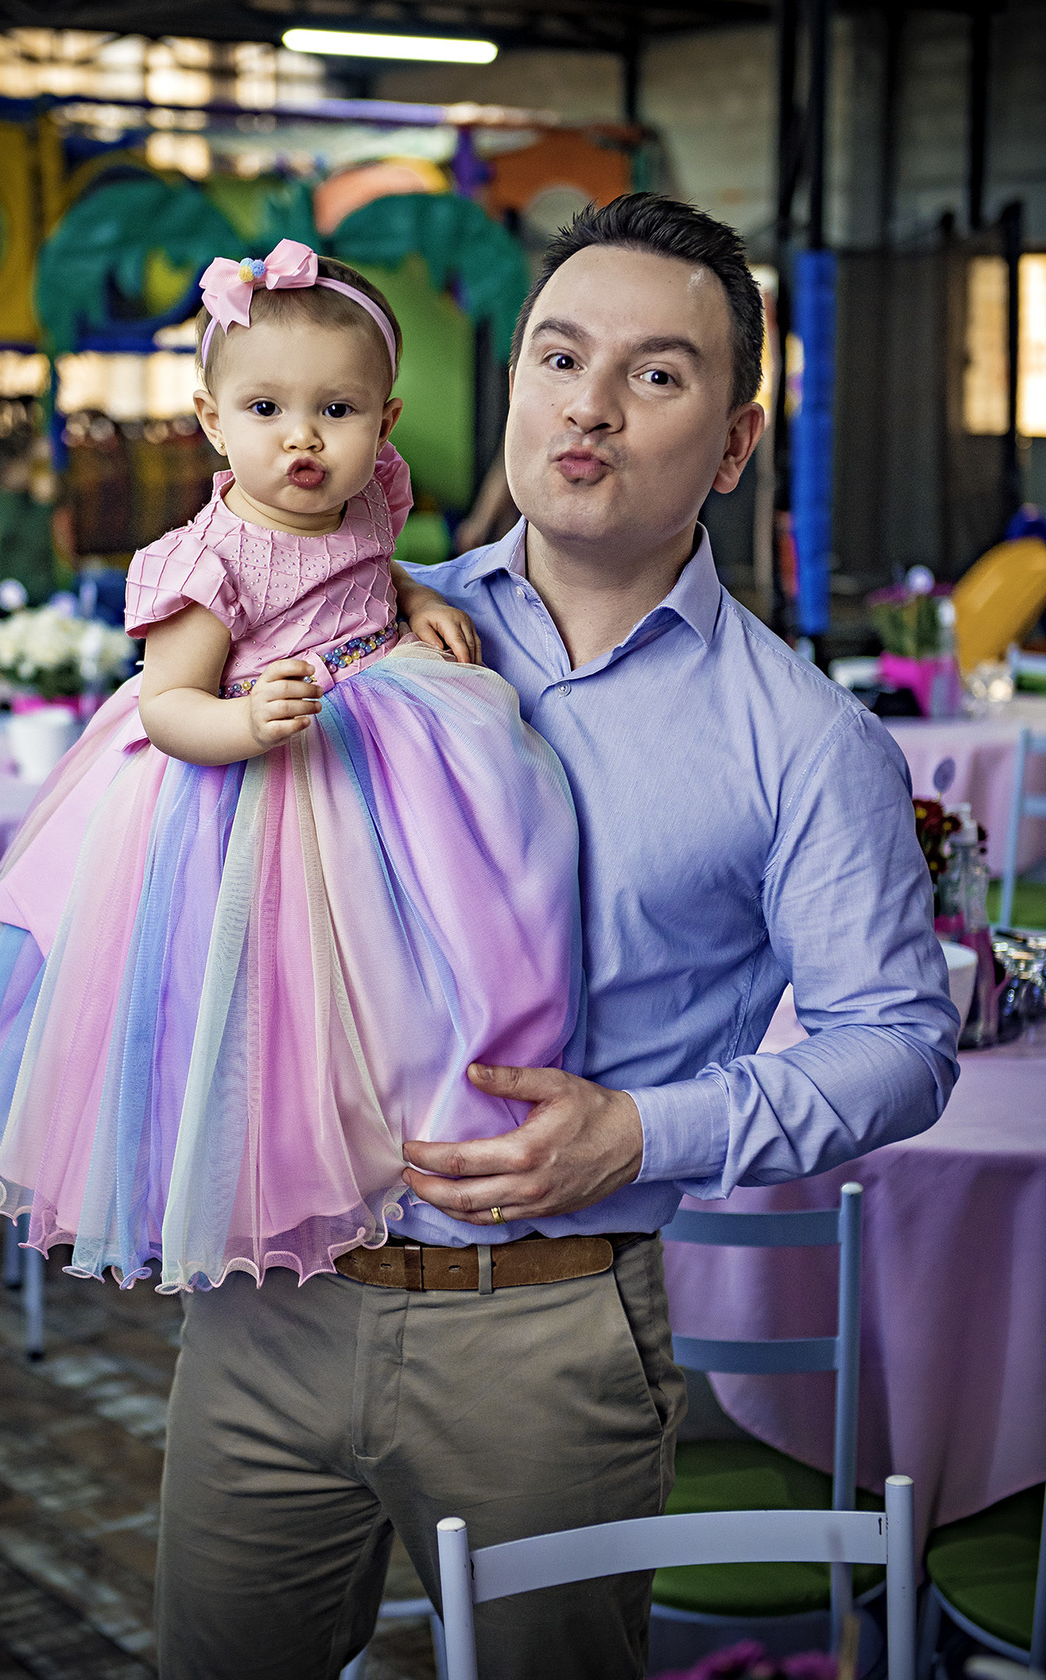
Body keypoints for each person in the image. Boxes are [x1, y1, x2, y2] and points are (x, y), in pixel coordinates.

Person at [149, 196, 959, 1680]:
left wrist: (641, 1133)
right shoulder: (348, 621)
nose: (589, 405)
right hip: (272, 1298)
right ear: (513, 383)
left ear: (736, 442)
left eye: (656, 374)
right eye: (559, 358)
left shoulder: (804, 739)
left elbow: (901, 1046)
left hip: (543, 1330)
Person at [0, 240, 583, 1293]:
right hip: (261, 785)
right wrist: (245, 724)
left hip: (393, 739)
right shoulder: (209, 559)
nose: (302, 438)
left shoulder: (370, 499)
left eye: (337, 410)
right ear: (212, 420)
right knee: (287, 989)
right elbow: (167, 706)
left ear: (385, 424)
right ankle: (299, 1160)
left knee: (441, 928)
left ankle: (450, 1096)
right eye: (266, 409)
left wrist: (414, 597)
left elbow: (369, 567)